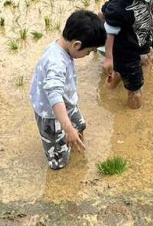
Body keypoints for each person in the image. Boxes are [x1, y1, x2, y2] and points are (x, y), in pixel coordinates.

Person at [29, 10, 106, 170]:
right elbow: (54, 94)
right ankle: (63, 153)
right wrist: (67, 127)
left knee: (80, 125)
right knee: (59, 162)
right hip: (50, 114)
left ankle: (75, 141)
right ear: (76, 45)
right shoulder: (56, 62)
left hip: (67, 104)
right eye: (88, 51)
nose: (88, 55)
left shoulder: (60, 45)